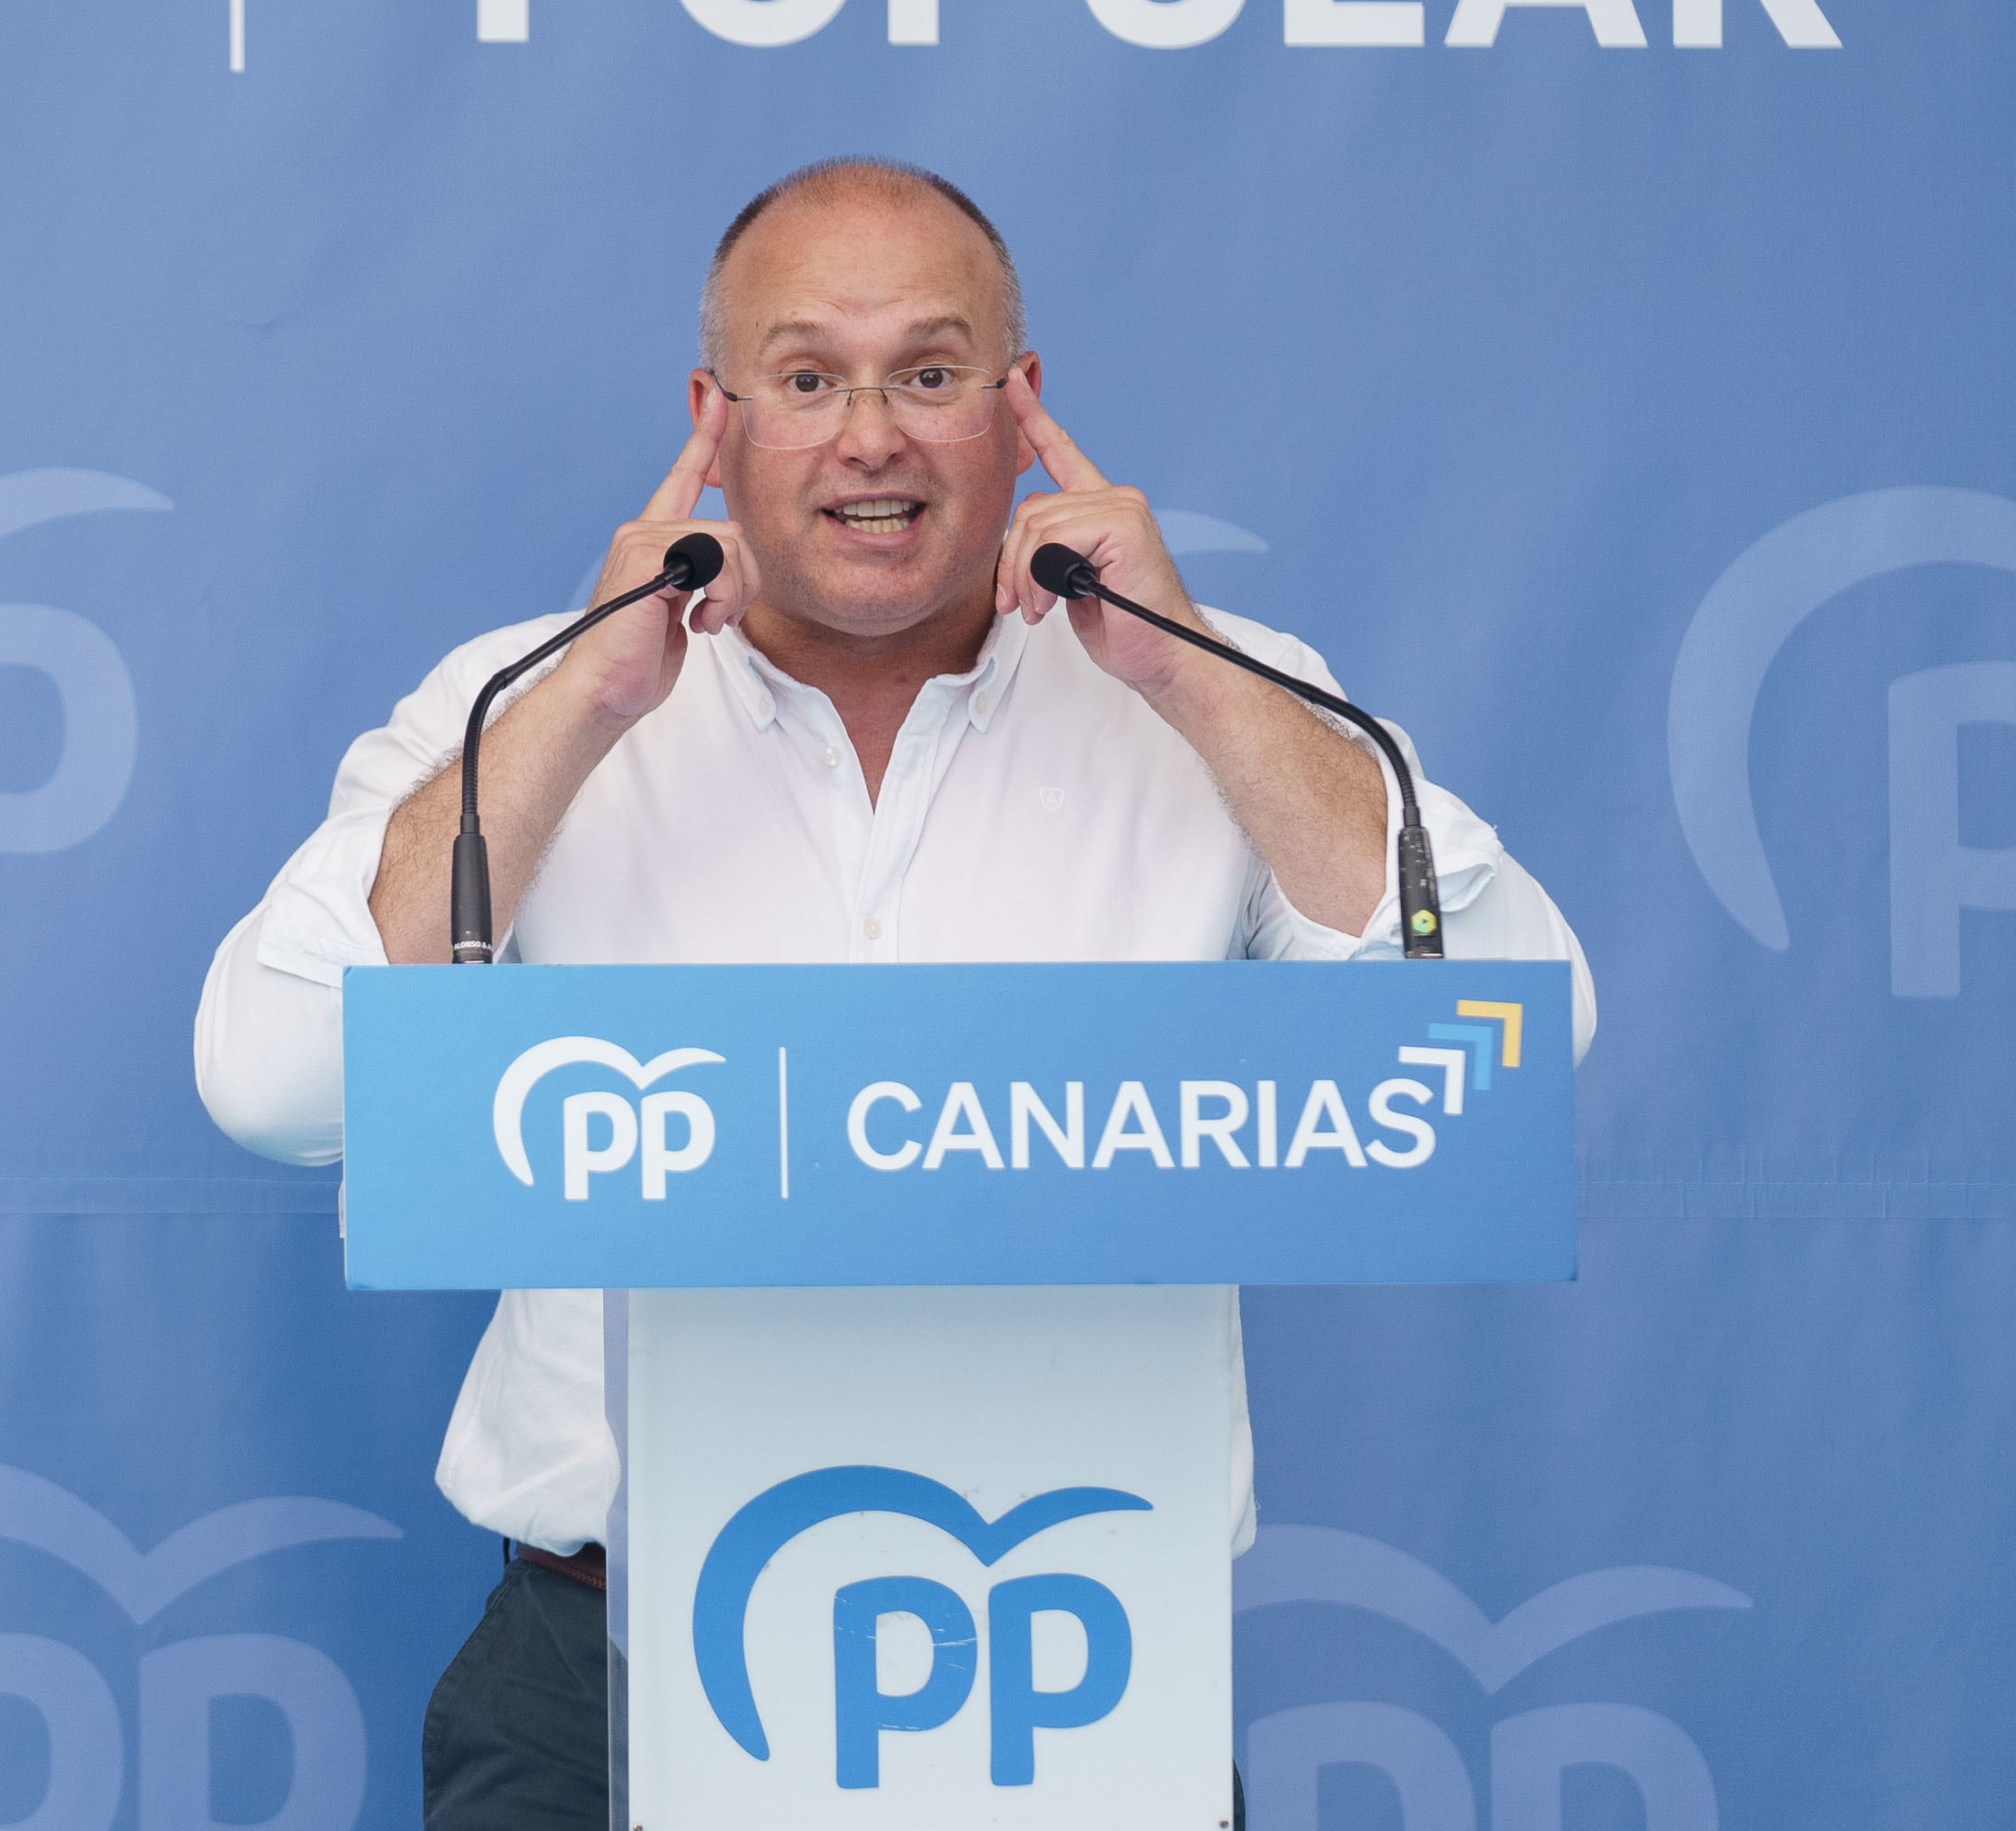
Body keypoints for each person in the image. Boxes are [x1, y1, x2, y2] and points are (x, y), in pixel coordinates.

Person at [192, 157, 1593, 1830]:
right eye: (807, 381)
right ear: (712, 423)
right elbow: (274, 1085)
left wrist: (1192, 683)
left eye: (931, 374)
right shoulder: (526, 700)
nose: (873, 435)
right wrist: (581, 702)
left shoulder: (1225, 688)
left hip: (1076, 1682)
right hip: (607, 1687)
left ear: (1023, 408)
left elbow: (1518, 1046)